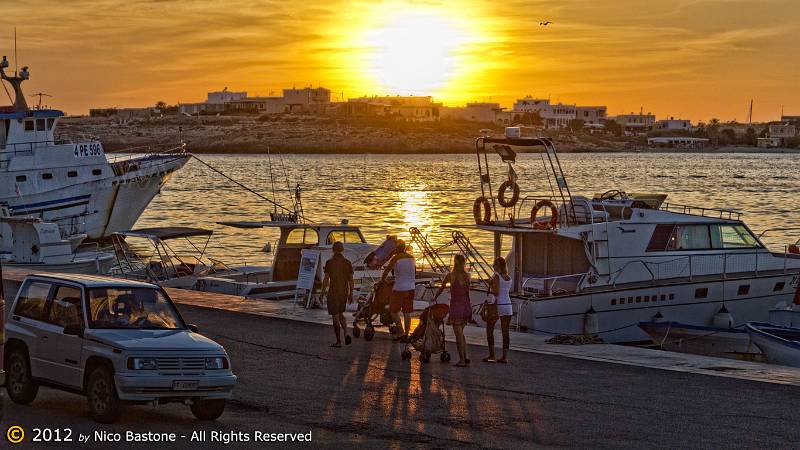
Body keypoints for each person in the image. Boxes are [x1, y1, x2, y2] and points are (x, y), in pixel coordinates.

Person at [433, 254, 472, 367]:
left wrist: (435, 297)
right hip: (466, 306)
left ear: (455, 262)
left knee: (458, 335)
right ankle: (466, 356)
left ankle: (462, 360)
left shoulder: (451, 275)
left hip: (456, 307)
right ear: (464, 263)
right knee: (461, 333)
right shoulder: (467, 276)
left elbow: (442, 288)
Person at [320, 241, 354, 348]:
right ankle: (346, 332)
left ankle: (338, 341)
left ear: (333, 250)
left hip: (334, 292)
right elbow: (351, 281)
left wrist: (321, 294)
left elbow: (326, 280)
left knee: (335, 316)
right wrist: (351, 294)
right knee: (340, 313)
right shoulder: (347, 262)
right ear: (342, 250)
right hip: (344, 292)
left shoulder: (329, 262)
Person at [380, 240, 415, 341]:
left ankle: (401, 332)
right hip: (411, 287)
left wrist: (382, 280)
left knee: (393, 311)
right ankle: (407, 334)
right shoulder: (412, 258)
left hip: (399, 288)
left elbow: (386, 271)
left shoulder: (396, 258)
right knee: (407, 313)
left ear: (397, 248)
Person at [485, 257, 513, 363]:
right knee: (505, 332)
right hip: (508, 305)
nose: (493, 266)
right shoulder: (508, 278)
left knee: (489, 329)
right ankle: (504, 357)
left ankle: (491, 355)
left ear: (499, 266)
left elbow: (496, 293)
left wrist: (491, 284)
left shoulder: (496, 277)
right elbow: (503, 290)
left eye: (495, 264)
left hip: (498, 305)